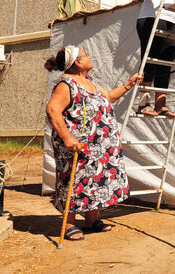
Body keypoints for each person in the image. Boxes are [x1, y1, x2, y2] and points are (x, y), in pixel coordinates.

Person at [45, 46, 143, 241]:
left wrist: (129, 84)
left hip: (100, 146)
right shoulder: (67, 84)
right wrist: (68, 138)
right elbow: (53, 110)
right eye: (85, 55)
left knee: (97, 181)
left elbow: (109, 97)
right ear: (78, 63)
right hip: (78, 146)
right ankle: (70, 224)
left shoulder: (89, 82)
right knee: (73, 183)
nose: (90, 57)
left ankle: (91, 221)